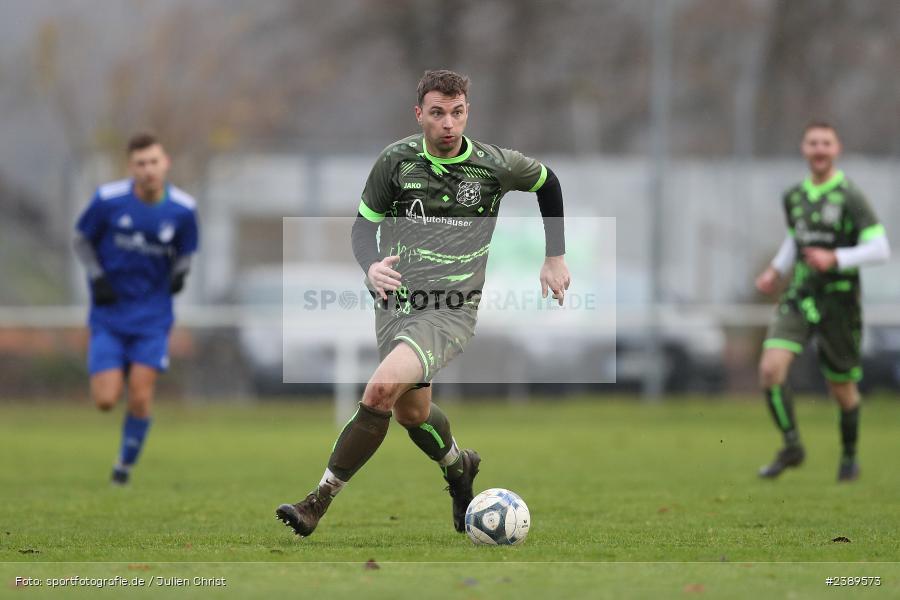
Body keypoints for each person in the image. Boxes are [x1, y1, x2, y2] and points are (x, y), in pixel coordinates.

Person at [276, 69, 570, 536]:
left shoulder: (494, 165)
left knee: (377, 391)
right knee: (410, 413)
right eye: (438, 113)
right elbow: (361, 228)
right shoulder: (395, 162)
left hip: (451, 307)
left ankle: (316, 502)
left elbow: (547, 182)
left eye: (457, 113)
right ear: (420, 115)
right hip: (396, 304)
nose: (449, 124)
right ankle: (459, 468)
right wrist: (370, 266)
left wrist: (554, 255)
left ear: (467, 111)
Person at [755, 120, 890, 481]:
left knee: (841, 388)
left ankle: (849, 457)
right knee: (770, 369)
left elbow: (881, 249)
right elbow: (794, 241)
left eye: (825, 143)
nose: (819, 149)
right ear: (803, 148)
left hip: (839, 302)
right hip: (801, 295)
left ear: (836, 149)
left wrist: (837, 258)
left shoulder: (850, 196)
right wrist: (774, 271)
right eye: (812, 143)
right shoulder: (794, 196)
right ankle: (792, 446)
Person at [74, 132, 199, 485]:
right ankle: (118, 366)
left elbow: (187, 250)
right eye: (141, 163)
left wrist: (180, 273)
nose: (148, 169)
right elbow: (81, 239)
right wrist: (97, 277)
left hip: (152, 318)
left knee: (141, 397)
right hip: (110, 316)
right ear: (131, 167)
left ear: (165, 163)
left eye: (154, 162)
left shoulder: (183, 209)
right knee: (104, 400)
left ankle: (123, 468)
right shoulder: (108, 200)